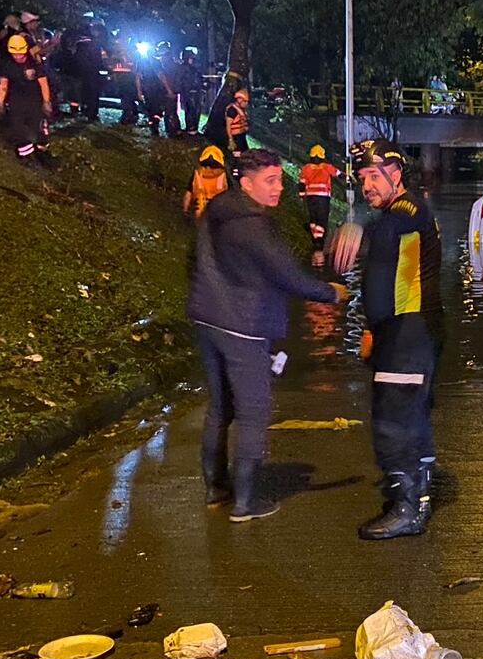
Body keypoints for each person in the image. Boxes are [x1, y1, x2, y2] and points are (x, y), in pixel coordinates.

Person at [188, 148, 347, 520]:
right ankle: (246, 501)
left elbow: (192, 258)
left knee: (220, 407)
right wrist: (331, 292)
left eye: (280, 180)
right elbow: (287, 275)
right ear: (246, 182)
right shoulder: (254, 226)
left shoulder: (219, 208)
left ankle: (216, 488)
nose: (279, 189)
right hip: (244, 324)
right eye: (270, 181)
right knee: (253, 412)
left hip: (207, 318)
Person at [332, 141, 444, 541]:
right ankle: (422, 488)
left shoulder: (403, 215)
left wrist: (372, 331)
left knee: (392, 424)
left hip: (403, 335)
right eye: (362, 178)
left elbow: (385, 269)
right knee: (414, 416)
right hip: (419, 331)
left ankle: (407, 508)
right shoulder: (407, 210)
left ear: (396, 173)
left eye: (375, 176)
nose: (367, 185)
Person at [0, 33, 52, 162]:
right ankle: (25, 154)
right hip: (16, 99)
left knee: (37, 125)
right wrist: (0, 103)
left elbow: (43, 83)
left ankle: (42, 150)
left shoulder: (34, 62)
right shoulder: (6, 64)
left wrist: (46, 101)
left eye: (20, 53)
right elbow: (3, 84)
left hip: (34, 99)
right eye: (15, 54)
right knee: (17, 126)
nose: (18, 56)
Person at [299, 144, 340, 262]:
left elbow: (302, 183)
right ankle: (319, 242)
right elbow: (338, 174)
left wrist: (302, 196)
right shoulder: (326, 167)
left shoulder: (306, 168)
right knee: (322, 220)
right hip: (323, 198)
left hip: (310, 198)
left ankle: (315, 239)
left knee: (314, 218)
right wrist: (350, 177)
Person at [183, 144, 230, 219]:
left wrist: (185, 211)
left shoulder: (197, 174)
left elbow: (188, 193)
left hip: (200, 210)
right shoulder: (224, 176)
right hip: (219, 210)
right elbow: (232, 194)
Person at [142, 41, 179, 136]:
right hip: (164, 90)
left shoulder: (152, 62)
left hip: (162, 90)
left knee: (160, 111)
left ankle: (162, 128)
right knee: (166, 111)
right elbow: (162, 75)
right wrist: (169, 90)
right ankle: (169, 130)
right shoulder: (158, 62)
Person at [70, 24, 104, 121]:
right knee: (93, 94)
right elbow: (99, 59)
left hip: (82, 72)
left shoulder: (79, 44)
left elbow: (75, 58)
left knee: (84, 92)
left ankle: (85, 110)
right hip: (93, 72)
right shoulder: (95, 44)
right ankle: (92, 113)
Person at [178, 47, 203, 134]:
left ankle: (194, 127)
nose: (192, 59)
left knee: (196, 109)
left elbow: (199, 79)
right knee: (190, 109)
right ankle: (191, 127)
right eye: (191, 57)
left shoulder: (195, 68)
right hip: (188, 92)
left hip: (196, 92)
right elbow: (181, 81)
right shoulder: (183, 68)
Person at [224, 86, 251, 151]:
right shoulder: (232, 110)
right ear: (239, 100)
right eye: (245, 101)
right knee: (237, 154)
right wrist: (231, 140)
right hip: (235, 138)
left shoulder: (241, 110)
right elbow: (228, 126)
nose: (246, 103)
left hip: (241, 136)